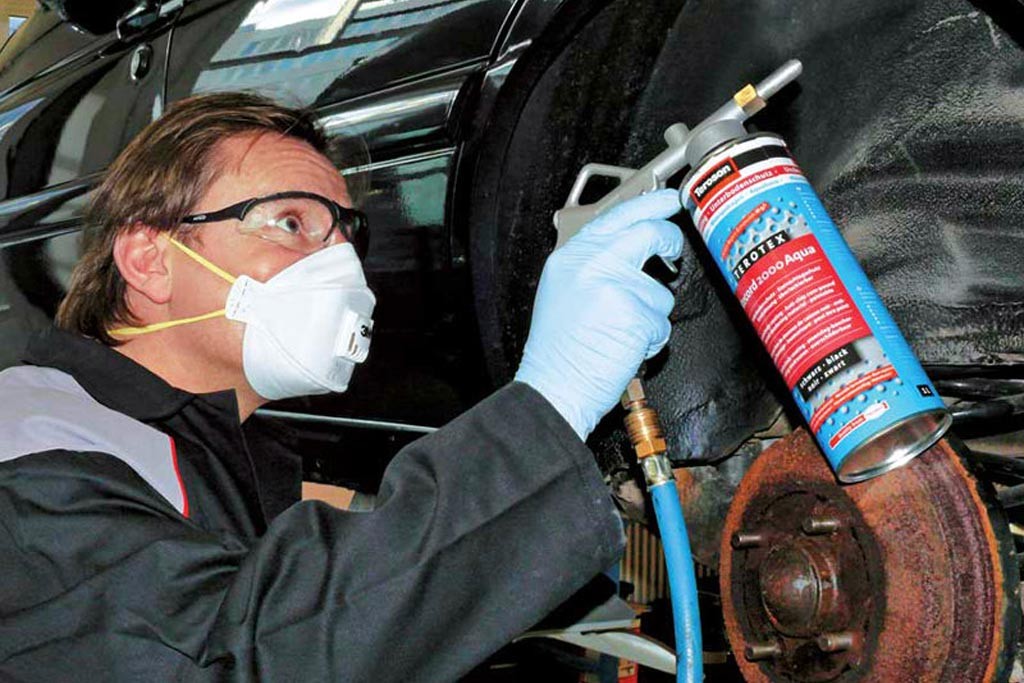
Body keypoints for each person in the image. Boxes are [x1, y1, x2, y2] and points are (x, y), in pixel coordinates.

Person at [0, 93, 683, 681]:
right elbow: (233, 656)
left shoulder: (218, 450)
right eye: (290, 223)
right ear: (150, 261)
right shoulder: (27, 438)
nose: (344, 270)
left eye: (345, 235)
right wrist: (553, 401)